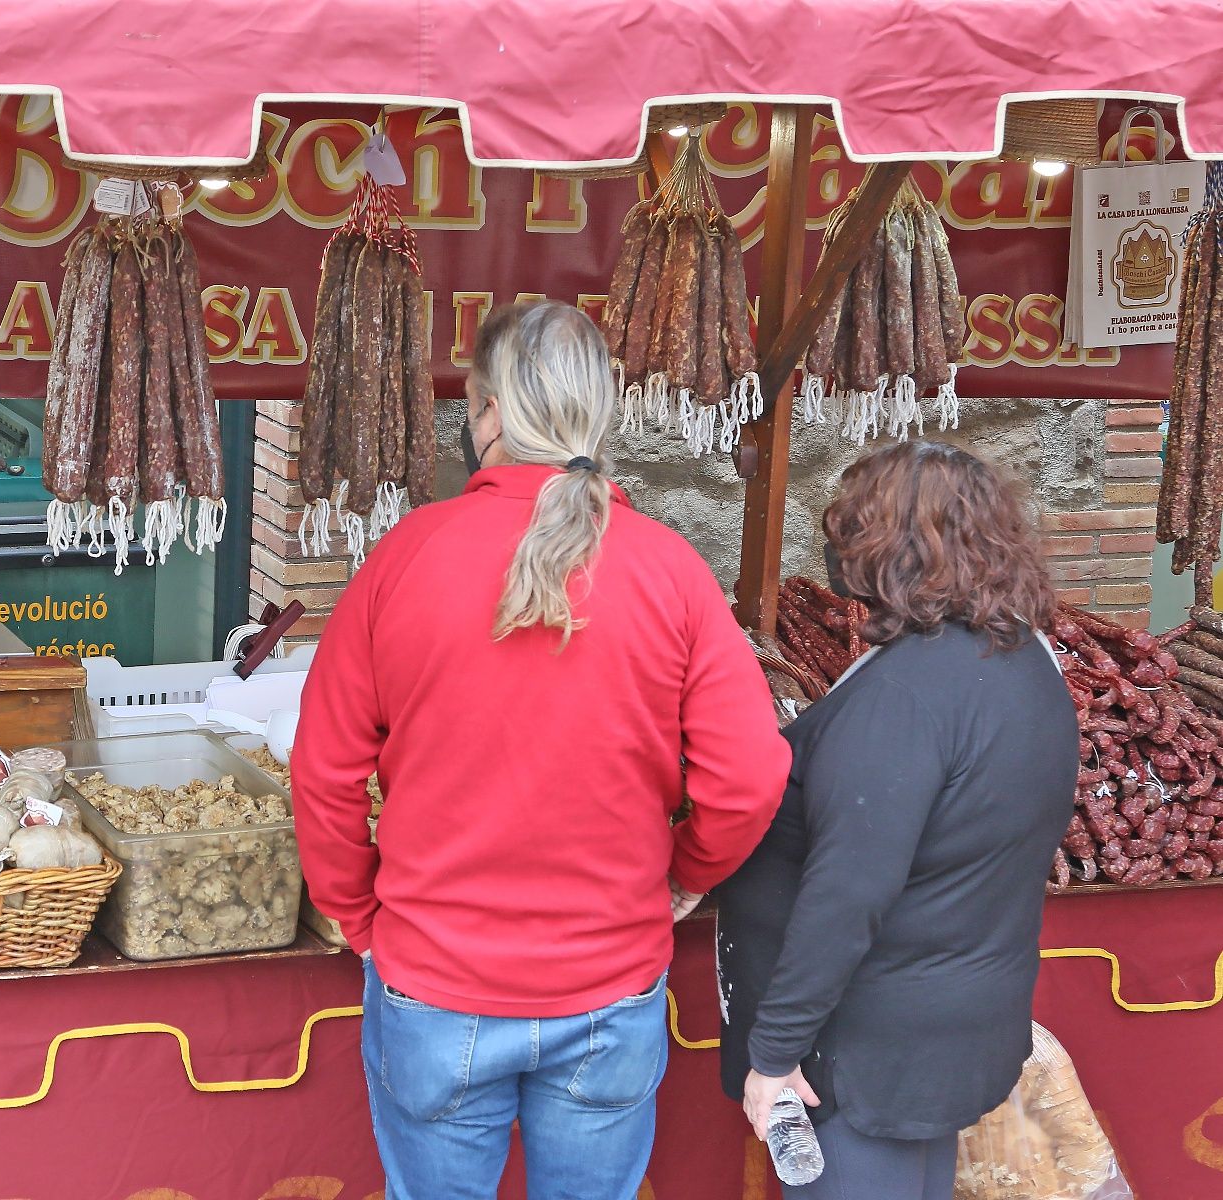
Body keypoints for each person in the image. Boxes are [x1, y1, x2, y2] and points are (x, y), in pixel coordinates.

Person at [291, 301, 790, 1200]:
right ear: (604, 408)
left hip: (434, 980)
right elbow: (751, 775)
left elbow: (323, 772)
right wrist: (683, 876)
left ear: (484, 412)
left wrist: (357, 915)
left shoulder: (405, 556)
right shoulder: (672, 569)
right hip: (608, 985)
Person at [716, 441, 1078, 1200]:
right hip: (954, 1024)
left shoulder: (908, 693)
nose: (839, 542)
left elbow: (849, 894)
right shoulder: (1026, 661)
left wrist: (776, 1054)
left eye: (853, 526)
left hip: (865, 1050)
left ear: (893, 546)